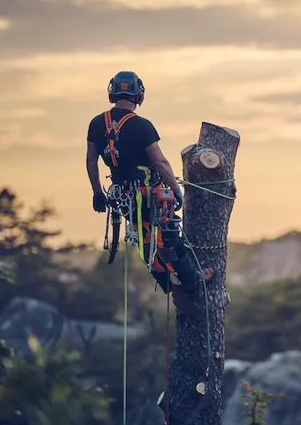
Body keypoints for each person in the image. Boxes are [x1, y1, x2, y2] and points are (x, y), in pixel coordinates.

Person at [85, 71, 211, 294]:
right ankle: (192, 280)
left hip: (123, 196)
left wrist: (97, 192)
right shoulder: (142, 126)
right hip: (149, 192)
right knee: (168, 235)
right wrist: (175, 189)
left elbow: (91, 160)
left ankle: (166, 279)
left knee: (145, 238)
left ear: (112, 93)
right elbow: (160, 161)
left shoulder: (96, 123)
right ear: (138, 95)